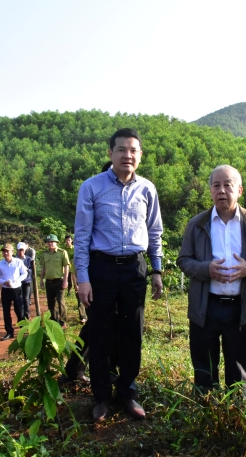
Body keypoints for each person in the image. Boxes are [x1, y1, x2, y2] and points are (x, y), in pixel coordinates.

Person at [74, 128, 163, 422]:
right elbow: (83, 235)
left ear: (140, 155)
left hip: (135, 268)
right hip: (101, 268)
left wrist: (157, 270)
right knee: (99, 333)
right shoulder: (91, 187)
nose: (128, 155)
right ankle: (101, 397)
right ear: (110, 153)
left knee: (132, 333)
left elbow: (155, 232)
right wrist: (83, 278)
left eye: (133, 150)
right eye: (121, 149)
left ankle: (128, 392)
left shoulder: (147, 189)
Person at [177, 165, 246, 392]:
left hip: (239, 308)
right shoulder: (197, 224)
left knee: (239, 368)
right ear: (210, 191)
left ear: (239, 190)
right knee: (204, 366)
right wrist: (205, 269)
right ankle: (205, 409)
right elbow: (184, 260)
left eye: (227, 185)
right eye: (216, 185)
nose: (222, 190)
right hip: (205, 305)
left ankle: (236, 413)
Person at [0, 243, 28, 340]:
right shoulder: (0, 264)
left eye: (7, 251)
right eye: (4, 251)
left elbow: (24, 273)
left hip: (16, 289)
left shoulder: (18, 262)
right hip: (5, 290)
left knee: (19, 310)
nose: (5, 253)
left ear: (12, 252)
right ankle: (9, 332)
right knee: (6, 311)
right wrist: (3, 282)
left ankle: (23, 330)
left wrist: (18, 280)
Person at [40, 234, 70, 328]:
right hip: (49, 282)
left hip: (59, 281)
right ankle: (54, 321)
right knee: (51, 303)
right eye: (48, 242)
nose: (50, 244)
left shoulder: (62, 252)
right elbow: (43, 268)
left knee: (61, 302)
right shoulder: (44, 254)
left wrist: (66, 280)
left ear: (56, 243)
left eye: (52, 242)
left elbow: (66, 266)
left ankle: (63, 321)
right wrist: (41, 280)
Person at [64, 234, 85, 321]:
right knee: (80, 299)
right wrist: (76, 285)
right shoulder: (64, 250)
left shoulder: (76, 250)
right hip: (69, 269)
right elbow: (73, 274)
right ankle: (83, 317)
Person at [17, 242, 34, 320]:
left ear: (24, 251)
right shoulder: (14, 260)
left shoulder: (29, 259)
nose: (21, 252)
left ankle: (27, 317)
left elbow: (32, 270)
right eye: (19, 250)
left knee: (26, 299)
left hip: (26, 282)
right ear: (17, 251)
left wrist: (27, 270)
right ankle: (20, 318)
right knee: (18, 300)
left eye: (22, 250)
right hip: (17, 283)